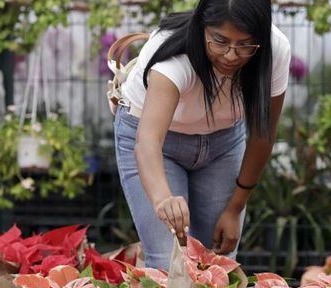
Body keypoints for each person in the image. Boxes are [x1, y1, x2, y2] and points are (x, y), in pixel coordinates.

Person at [113, 0, 291, 270]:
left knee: (218, 263)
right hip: (157, 144)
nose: (231, 55)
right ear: (202, 27)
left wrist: (235, 208)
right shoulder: (174, 58)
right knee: (168, 263)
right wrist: (163, 199)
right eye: (219, 41)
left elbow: (262, 132)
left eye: (245, 45)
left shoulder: (274, 49)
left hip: (223, 142)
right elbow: (148, 141)